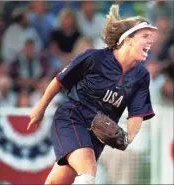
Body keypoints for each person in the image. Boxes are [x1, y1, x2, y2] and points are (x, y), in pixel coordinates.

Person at [27, 4, 157, 184]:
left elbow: (137, 113)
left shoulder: (141, 75)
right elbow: (59, 81)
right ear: (127, 40)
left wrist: (128, 137)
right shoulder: (94, 58)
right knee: (88, 170)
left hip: (98, 133)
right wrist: (40, 109)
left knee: (56, 182)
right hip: (73, 118)